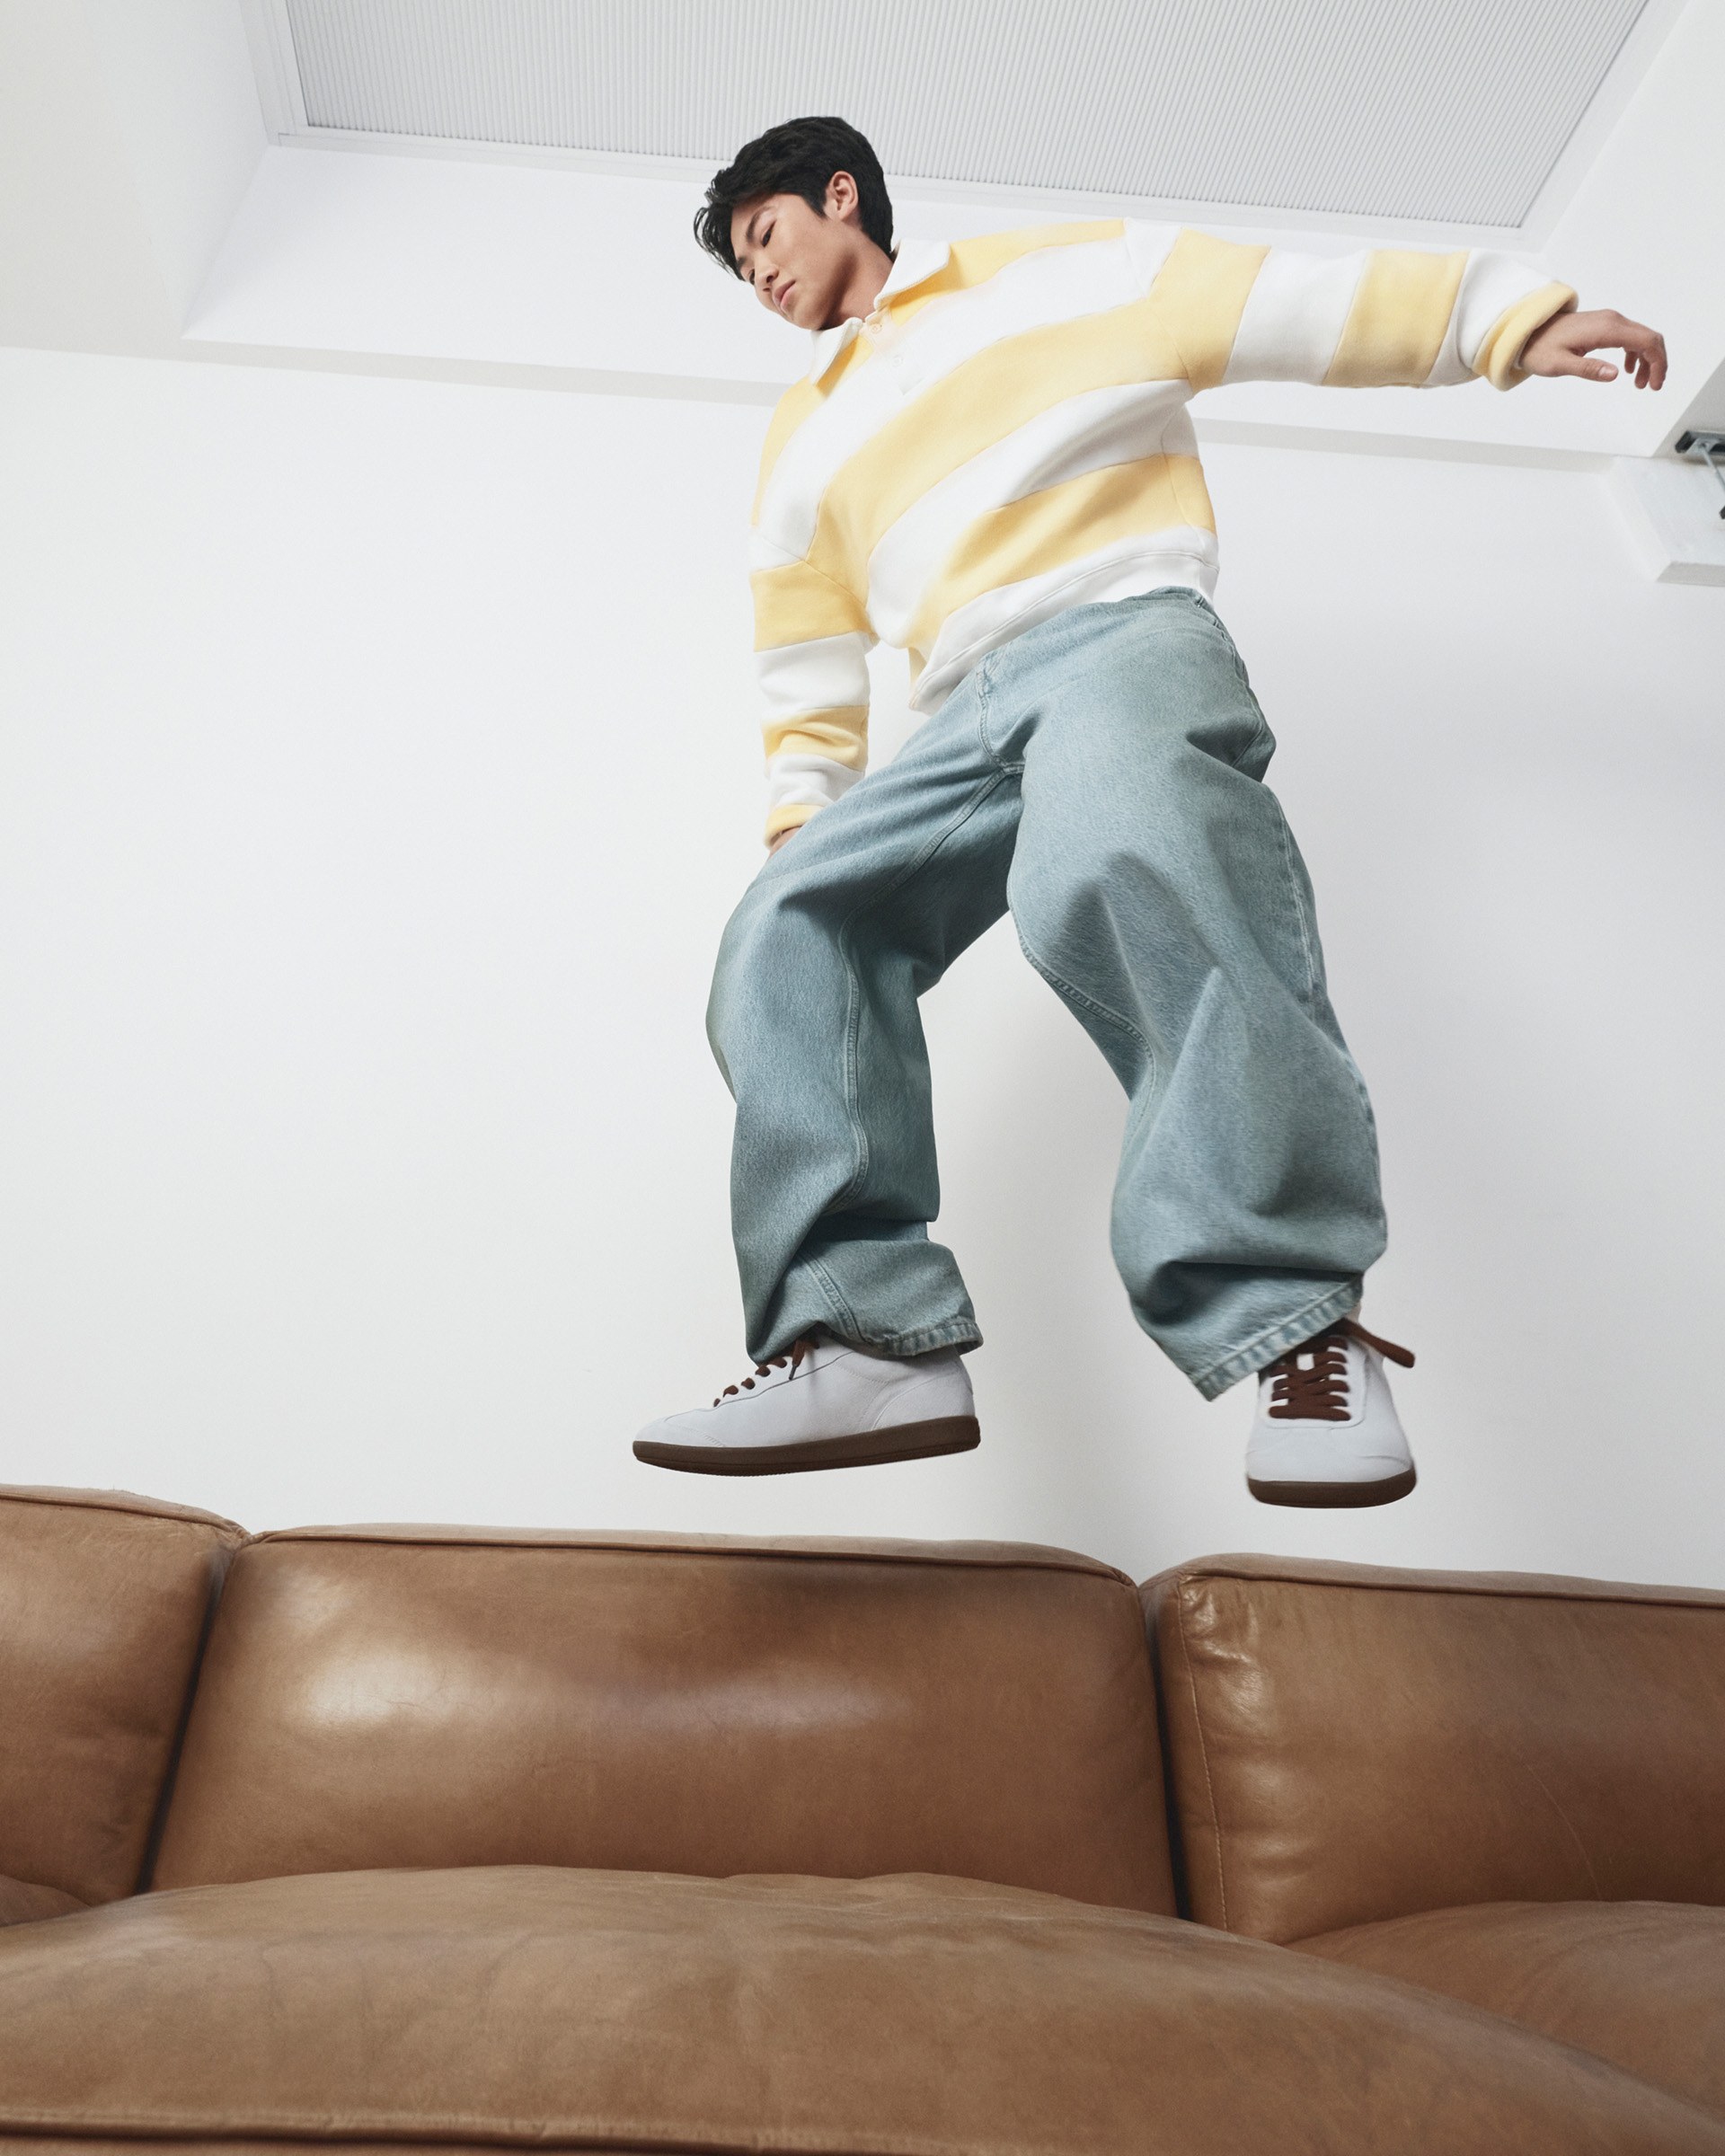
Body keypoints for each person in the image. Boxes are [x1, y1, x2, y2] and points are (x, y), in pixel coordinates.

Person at [632, 115, 1666, 1501]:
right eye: (740, 267)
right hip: (963, 715)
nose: (758, 275)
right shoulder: (800, 440)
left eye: (765, 238)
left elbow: (1274, 295)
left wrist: (1498, 320)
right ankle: (868, 1336)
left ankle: (1297, 1328)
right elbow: (802, 651)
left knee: (1127, 854)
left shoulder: (1054, 275)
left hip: (1118, 634)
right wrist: (804, 816)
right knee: (785, 928)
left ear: (839, 196)